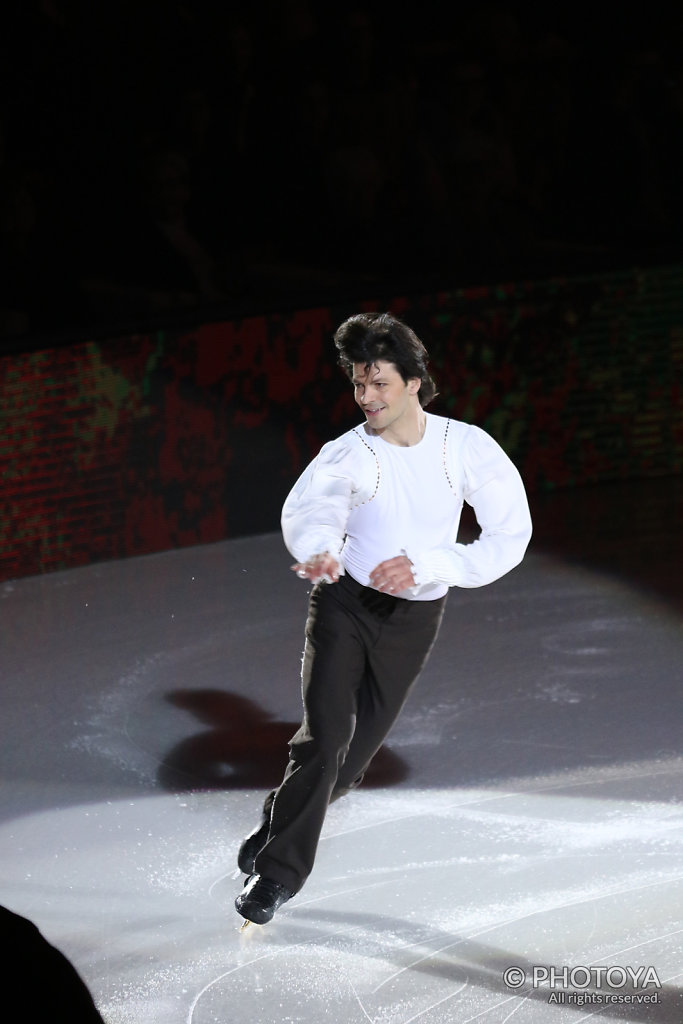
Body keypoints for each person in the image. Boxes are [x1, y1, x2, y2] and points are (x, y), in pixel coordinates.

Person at [235, 311, 532, 925]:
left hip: (414, 620)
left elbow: (510, 534)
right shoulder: (348, 454)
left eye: (379, 385)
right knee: (325, 740)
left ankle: (278, 818)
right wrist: (319, 548)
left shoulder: (464, 447)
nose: (366, 397)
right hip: (344, 605)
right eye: (357, 384)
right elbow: (318, 506)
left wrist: (431, 563)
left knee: (348, 764)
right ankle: (275, 879)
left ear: (415, 382)